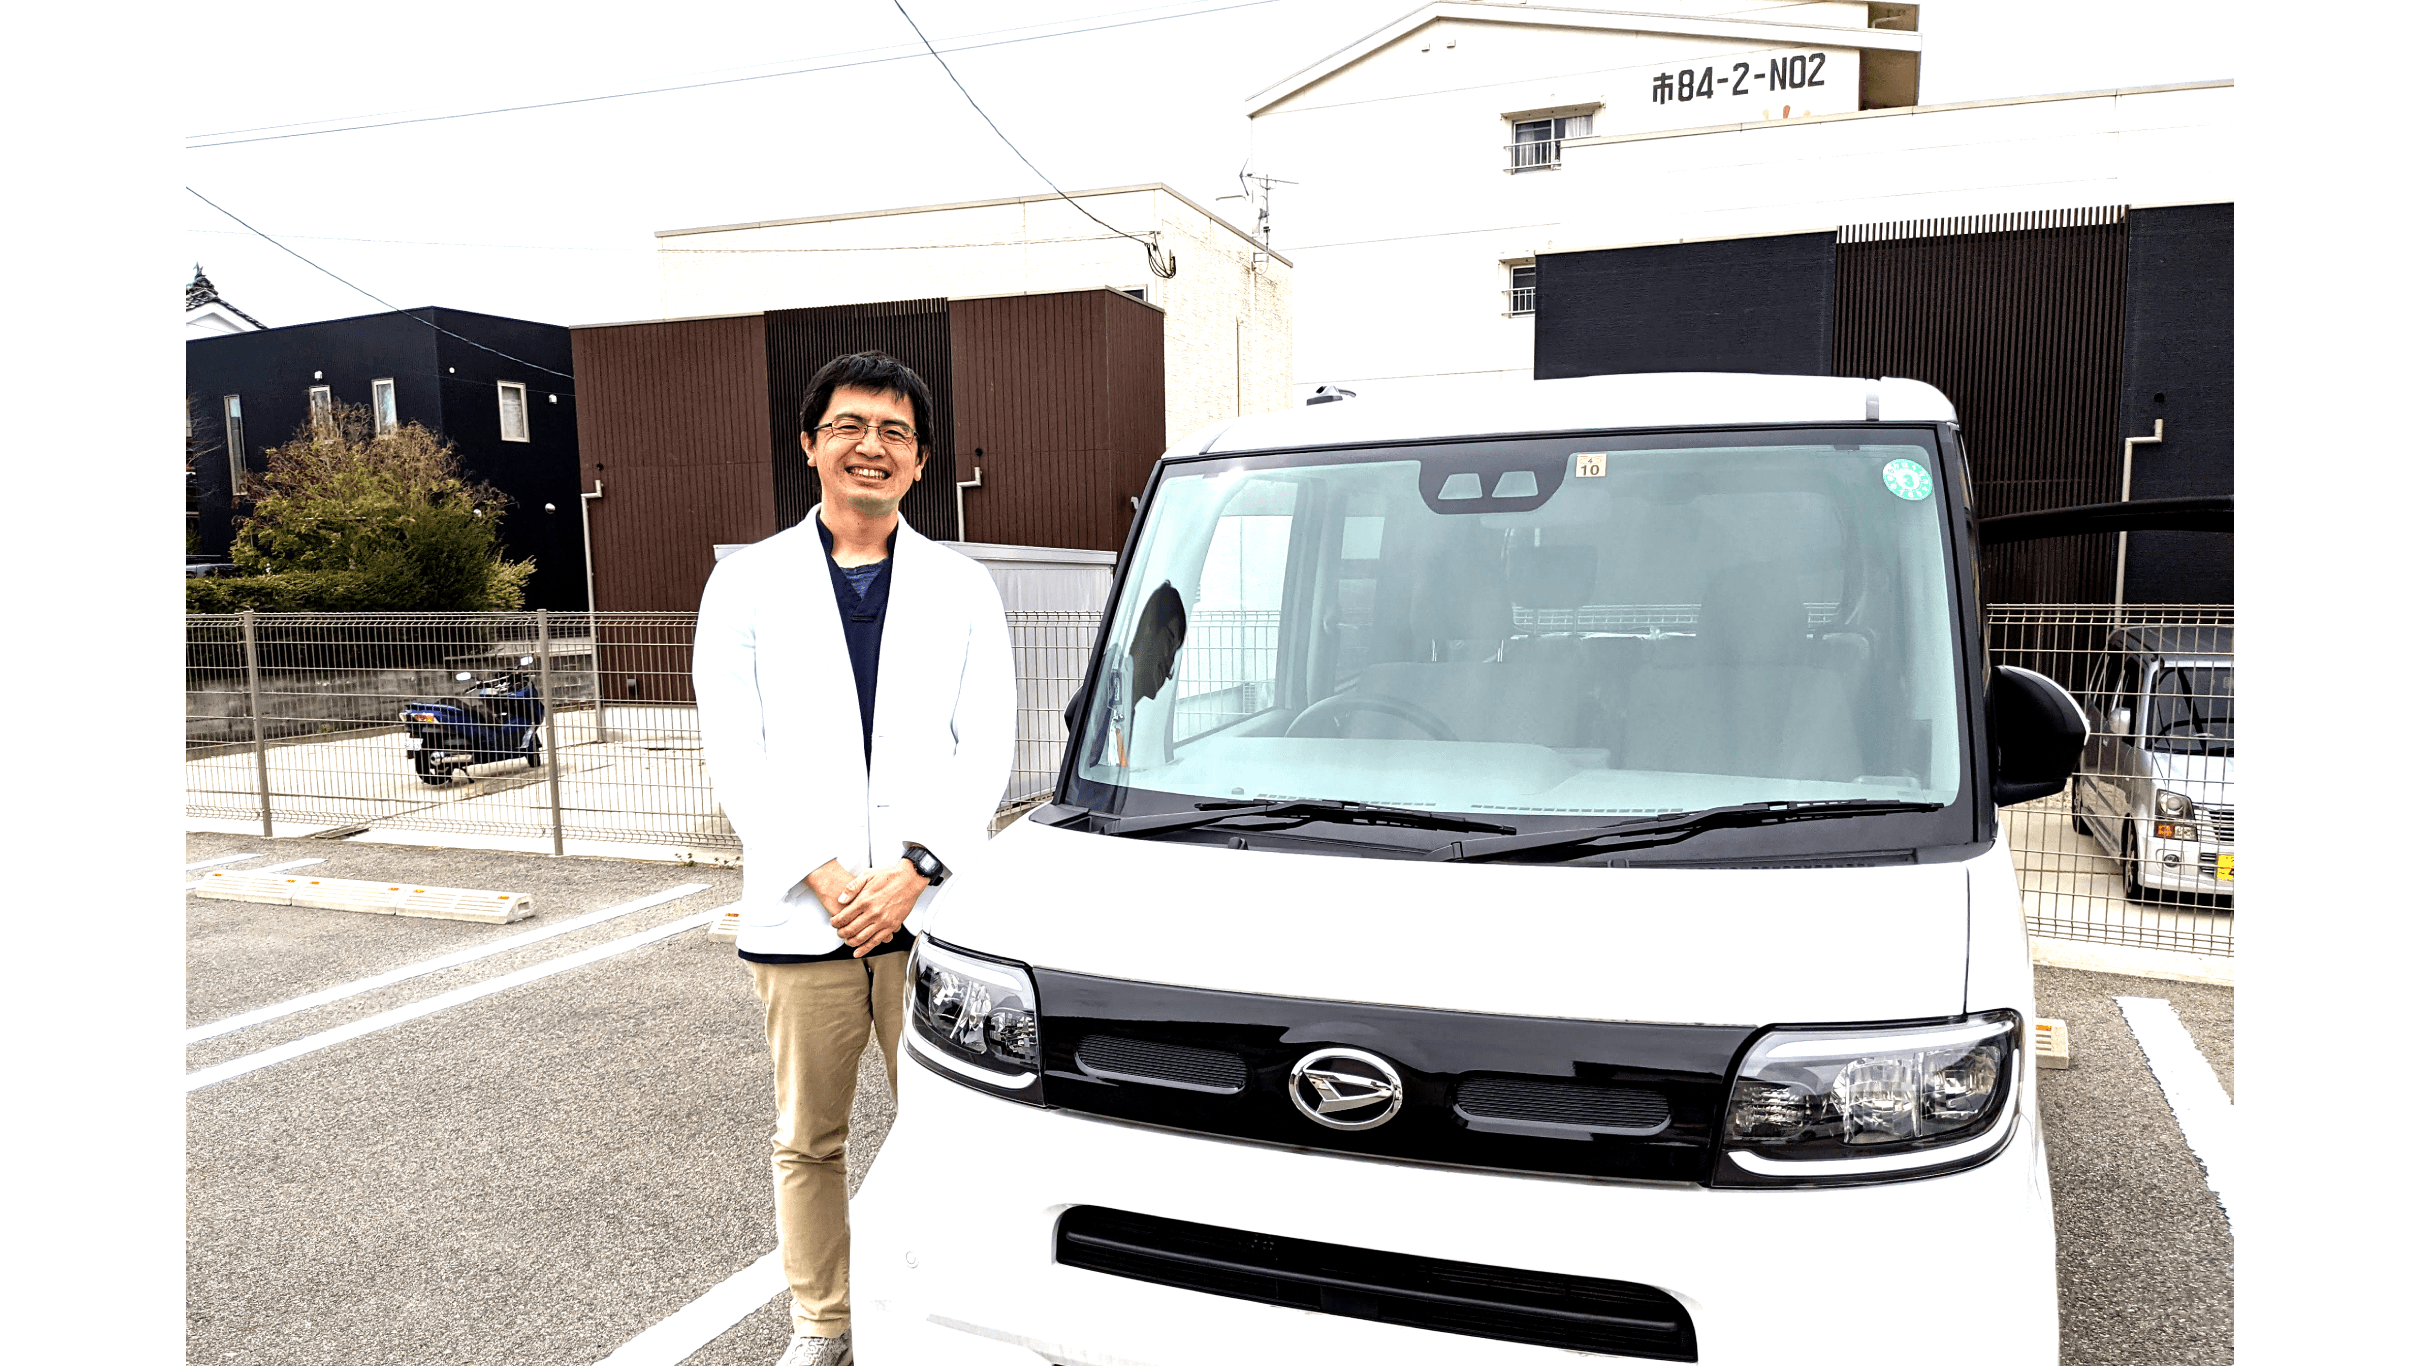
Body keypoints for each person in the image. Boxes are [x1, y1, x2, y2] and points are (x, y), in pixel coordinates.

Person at [692, 350, 1015, 1366]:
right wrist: (826, 874)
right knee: (808, 1138)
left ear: (919, 461)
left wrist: (916, 870)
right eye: (849, 426)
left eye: (893, 432)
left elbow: (988, 747)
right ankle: (822, 1322)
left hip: (927, 914)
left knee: (950, 1136)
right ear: (809, 444)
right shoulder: (745, 583)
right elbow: (734, 751)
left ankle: (949, 1318)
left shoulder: (963, 587)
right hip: (805, 912)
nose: (870, 447)